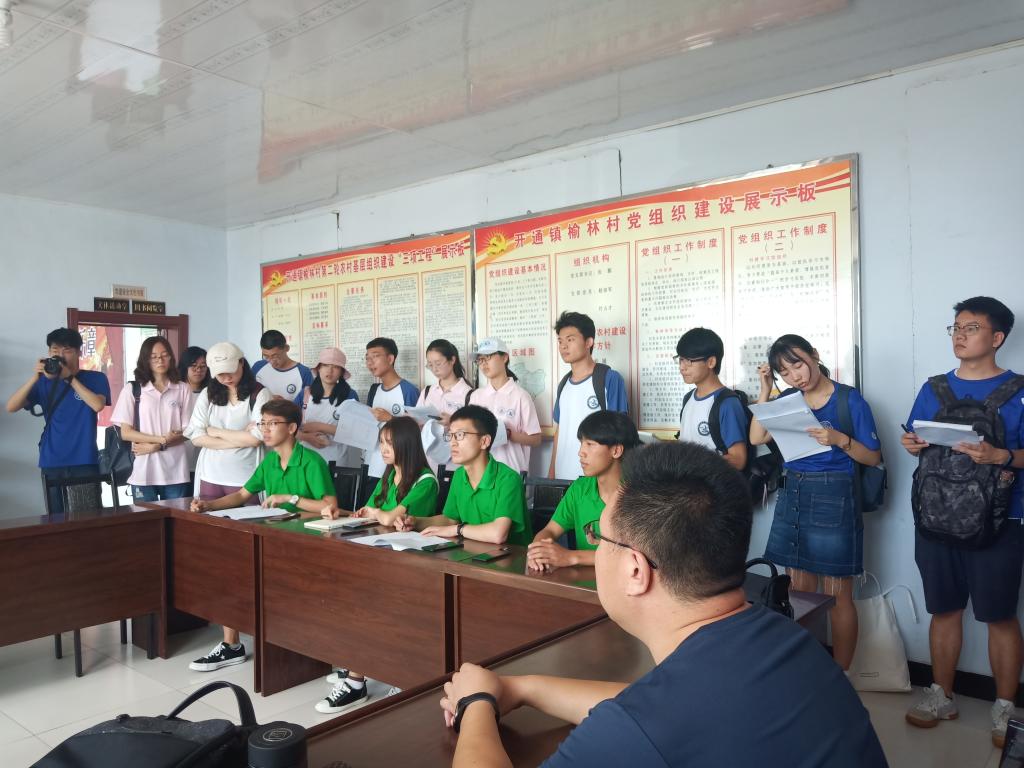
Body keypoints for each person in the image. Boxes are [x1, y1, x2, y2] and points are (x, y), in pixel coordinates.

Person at [439, 442, 888, 768]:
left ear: (637, 570)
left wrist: (476, 701)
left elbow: (642, 718)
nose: (595, 546)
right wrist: (519, 689)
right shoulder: (790, 640)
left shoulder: (640, 731)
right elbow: (640, 703)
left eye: (599, 537)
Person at [901, 297, 1024, 747]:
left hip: (1000, 519)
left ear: (997, 338)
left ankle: (1005, 705)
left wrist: (1001, 455)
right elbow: (914, 436)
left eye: (971, 328)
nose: (959, 335)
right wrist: (911, 444)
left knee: (999, 615)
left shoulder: (1019, 390)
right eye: (955, 327)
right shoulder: (934, 388)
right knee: (944, 608)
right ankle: (942, 694)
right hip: (936, 515)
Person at [749, 334, 881, 675]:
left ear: (814, 355)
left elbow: (873, 457)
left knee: (837, 594)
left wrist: (840, 439)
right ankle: (806, 670)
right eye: (785, 372)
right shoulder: (788, 399)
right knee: (798, 590)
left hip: (834, 495)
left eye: (798, 365)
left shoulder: (849, 400)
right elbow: (756, 437)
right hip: (794, 490)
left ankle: (841, 674)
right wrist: (765, 389)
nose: (795, 376)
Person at [189, 399, 338, 672]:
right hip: (274, 539)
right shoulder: (270, 461)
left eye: (272, 424)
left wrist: (291, 498)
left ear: (292, 428)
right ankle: (231, 645)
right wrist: (209, 505)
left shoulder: (311, 461)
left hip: (306, 544)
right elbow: (242, 494)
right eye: (263, 423)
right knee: (229, 570)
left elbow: (329, 506)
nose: (265, 430)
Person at [315, 415, 439, 715]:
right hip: (384, 555)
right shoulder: (389, 475)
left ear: (406, 445)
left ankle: (357, 680)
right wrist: (344, 513)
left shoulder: (425, 480)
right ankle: (358, 663)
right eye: (381, 443)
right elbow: (369, 512)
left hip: (414, 564)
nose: (383, 449)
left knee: (368, 600)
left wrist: (376, 513)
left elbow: (390, 516)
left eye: (389, 444)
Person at [6, 327, 111, 514]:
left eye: (67, 350)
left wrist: (69, 378)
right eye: (55, 351)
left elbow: (97, 405)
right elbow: (11, 407)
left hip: (84, 461)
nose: (60, 356)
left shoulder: (95, 378)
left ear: (79, 352)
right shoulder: (44, 382)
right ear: (49, 353)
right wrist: (35, 378)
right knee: (55, 519)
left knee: (87, 517)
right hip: (51, 461)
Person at [402, 405, 531, 546]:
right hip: (471, 552)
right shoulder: (459, 475)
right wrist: (415, 521)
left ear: (484, 441)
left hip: (509, 557)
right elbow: (450, 519)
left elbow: (498, 534)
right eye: (450, 435)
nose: (452, 443)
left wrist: (457, 530)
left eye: (459, 435)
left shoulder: (508, 479)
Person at [527, 411, 639, 572]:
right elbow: (550, 530)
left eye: (590, 444)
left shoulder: (641, 494)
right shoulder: (579, 488)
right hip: (583, 581)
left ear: (616, 451)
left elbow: (636, 556)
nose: (581, 452)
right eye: (581, 443)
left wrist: (572, 557)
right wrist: (538, 551)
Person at [548, 311, 628, 480]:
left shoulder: (609, 379)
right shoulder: (563, 385)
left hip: (595, 481)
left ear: (589, 342)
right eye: (560, 341)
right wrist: (552, 474)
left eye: (570, 340)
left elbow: (620, 433)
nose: (563, 346)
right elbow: (559, 431)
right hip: (563, 479)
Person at [111, 337, 192, 501]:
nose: (160, 360)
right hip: (143, 470)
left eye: (164, 355)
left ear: (171, 357)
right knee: (146, 517)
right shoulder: (133, 389)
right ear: (145, 360)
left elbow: (189, 431)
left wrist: (156, 446)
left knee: (176, 517)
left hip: (176, 470)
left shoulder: (183, 388)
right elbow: (126, 433)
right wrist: (161, 440)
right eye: (154, 357)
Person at [675, 327, 749, 471]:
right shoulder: (688, 399)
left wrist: (694, 463)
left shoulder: (728, 403)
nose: (682, 367)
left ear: (711, 362)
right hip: (687, 481)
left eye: (689, 361)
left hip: (713, 483)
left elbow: (738, 460)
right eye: (681, 359)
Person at [470, 338, 541, 475]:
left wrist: (509, 435)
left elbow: (536, 439)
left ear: (505, 357)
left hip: (512, 472)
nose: (484, 364)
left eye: (488, 357)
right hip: (481, 472)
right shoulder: (476, 396)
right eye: (480, 360)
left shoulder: (521, 396)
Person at [363, 337, 419, 479]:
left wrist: (390, 418)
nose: (370, 362)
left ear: (390, 359)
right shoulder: (374, 390)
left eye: (375, 356)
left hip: (397, 470)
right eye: (367, 358)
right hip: (371, 465)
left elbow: (415, 430)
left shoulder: (408, 391)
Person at [297, 347, 360, 469]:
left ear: (341, 372)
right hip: (306, 463)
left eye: (336, 367)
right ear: (319, 368)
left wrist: (318, 426)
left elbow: (354, 432)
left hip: (337, 464)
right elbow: (287, 425)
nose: (330, 371)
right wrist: (306, 437)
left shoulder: (349, 395)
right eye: (325, 365)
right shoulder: (305, 394)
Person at [417, 339, 474, 426]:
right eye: (430, 365)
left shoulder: (469, 394)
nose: (434, 369)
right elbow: (418, 421)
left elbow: (474, 427)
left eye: (438, 363)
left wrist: (452, 421)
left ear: (452, 360)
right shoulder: (427, 392)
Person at [252, 329, 313, 405]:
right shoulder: (258, 367)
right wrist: (267, 398)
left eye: (275, 356)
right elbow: (248, 396)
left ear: (286, 348)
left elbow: (309, 405)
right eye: (266, 356)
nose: (271, 361)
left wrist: (285, 405)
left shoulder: (304, 373)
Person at [178, 345, 210, 486]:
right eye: (194, 366)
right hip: (180, 456)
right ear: (185, 367)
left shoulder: (213, 392)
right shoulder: (175, 391)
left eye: (203, 366)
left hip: (204, 459)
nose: (198, 370)